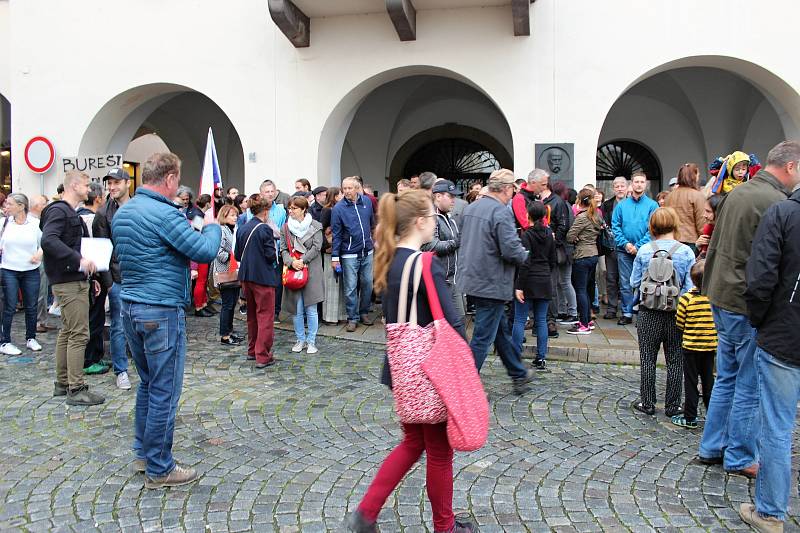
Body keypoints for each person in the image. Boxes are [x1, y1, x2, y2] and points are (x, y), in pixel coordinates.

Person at [345, 190, 473, 533]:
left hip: (402, 372)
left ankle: (366, 513)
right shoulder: (426, 264)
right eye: (432, 217)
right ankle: (445, 528)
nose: (435, 224)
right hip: (431, 373)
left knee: (414, 443)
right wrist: (467, 371)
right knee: (440, 453)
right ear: (420, 222)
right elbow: (452, 322)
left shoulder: (389, 261)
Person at [113, 153, 220, 488]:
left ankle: (143, 453)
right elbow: (203, 250)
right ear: (171, 178)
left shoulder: (125, 211)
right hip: (159, 309)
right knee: (163, 390)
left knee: (147, 382)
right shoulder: (164, 213)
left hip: (130, 305)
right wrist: (214, 226)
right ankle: (160, 467)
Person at [697, 140, 800, 477]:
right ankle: (740, 455)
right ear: (791, 167)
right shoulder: (774, 201)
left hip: (721, 294)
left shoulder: (739, 192)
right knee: (748, 383)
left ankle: (712, 446)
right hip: (744, 302)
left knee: (726, 376)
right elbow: (766, 265)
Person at [739, 187, 800, 531]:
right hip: (784, 331)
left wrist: (761, 320)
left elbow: (760, 278)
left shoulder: (783, 214)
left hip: (784, 336)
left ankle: (771, 514)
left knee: (776, 429)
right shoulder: (783, 212)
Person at [457, 168, 533, 395]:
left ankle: (518, 373)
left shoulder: (471, 209)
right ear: (507, 189)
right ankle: (466, 387)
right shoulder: (500, 212)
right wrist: (527, 255)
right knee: (482, 337)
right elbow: (511, 249)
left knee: (499, 332)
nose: (513, 194)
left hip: (475, 279)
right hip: (491, 282)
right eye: (512, 190)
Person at [40, 170, 104, 406]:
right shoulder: (60, 210)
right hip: (68, 281)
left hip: (72, 279)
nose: (89, 190)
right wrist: (78, 260)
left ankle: (62, 383)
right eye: (86, 185)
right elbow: (48, 240)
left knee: (68, 332)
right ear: (74, 185)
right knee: (78, 333)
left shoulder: (65, 211)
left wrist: (90, 275)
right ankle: (76, 388)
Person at [629, 207, 695, 416]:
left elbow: (634, 282)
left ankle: (647, 402)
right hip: (677, 312)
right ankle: (673, 405)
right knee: (675, 359)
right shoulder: (685, 252)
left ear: (652, 226)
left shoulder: (645, 250)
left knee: (647, 357)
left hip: (649, 311)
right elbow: (690, 286)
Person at [93, 167, 133, 390]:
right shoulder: (103, 213)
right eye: (110, 183)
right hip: (117, 277)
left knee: (141, 322)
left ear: (127, 183)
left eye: (117, 182)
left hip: (140, 275)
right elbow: (101, 249)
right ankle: (121, 370)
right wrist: (108, 283)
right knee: (118, 325)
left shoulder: (139, 207)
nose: (112, 187)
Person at [236, 194, 280, 368]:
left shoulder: (243, 228)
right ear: (266, 211)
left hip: (246, 277)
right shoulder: (264, 229)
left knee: (252, 316)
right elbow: (270, 255)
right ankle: (263, 355)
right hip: (263, 278)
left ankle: (252, 350)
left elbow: (238, 254)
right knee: (265, 317)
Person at [512, 201, 556, 370]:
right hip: (544, 279)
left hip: (528, 280)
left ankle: (516, 356)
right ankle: (541, 357)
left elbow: (525, 263)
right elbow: (552, 260)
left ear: (528, 215)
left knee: (520, 319)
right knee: (541, 320)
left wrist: (519, 286)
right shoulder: (549, 233)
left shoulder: (526, 235)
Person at [672, 259, 716, 429]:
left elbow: (680, 322)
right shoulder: (713, 299)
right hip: (710, 346)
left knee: (690, 381)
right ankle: (712, 415)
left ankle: (690, 415)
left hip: (690, 346)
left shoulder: (687, 299)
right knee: (708, 381)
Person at [611, 171, 658, 325]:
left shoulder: (652, 205)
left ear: (646, 184)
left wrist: (638, 246)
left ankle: (643, 313)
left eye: (642, 182)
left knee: (644, 282)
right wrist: (626, 244)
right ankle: (627, 312)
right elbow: (615, 226)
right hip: (624, 250)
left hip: (644, 250)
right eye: (636, 181)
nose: (639, 184)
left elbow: (652, 228)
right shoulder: (621, 205)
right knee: (625, 283)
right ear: (631, 184)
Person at [331, 176, 376, 332]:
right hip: (349, 253)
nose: (347, 191)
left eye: (350, 188)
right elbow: (336, 235)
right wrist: (335, 257)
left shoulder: (367, 202)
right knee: (350, 287)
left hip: (367, 251)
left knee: (368, 283)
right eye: (344, 188)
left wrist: (372, 242)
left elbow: (372, 224)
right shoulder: (338, 209)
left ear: (357, 188)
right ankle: (352, 317)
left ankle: (363, 312)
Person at [0, 193, 42, 355]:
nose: (6, 207)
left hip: (30, 270)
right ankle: (5, 341)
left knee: (31, 306)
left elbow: (45, 242)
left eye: (10, 204)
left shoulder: (35, 224)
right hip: (9, 269)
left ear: (21, 206)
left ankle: (31, 337)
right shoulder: (4, 223)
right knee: (9, 306)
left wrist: (39, 254)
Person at [281, 196, 324, 354]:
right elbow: (283, 249)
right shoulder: (285, 228)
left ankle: (311, 341)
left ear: (304, 209)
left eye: (294, 208)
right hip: (293, 270)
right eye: (289, 208)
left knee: (311, 308)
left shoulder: (315, 226)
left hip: (311, 269)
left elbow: (317, 247)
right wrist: (291, 262)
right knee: (297, 309)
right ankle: (300, 339)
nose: (290, 211)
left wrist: (302, 260)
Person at [78, 181, 111, 375]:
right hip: (93, 274)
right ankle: (90, 358)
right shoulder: (92, 219)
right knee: (94, 318)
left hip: (86, 275)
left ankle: (93, 355)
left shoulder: (77, 216)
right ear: (98, 198)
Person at [422, 180, 463, 316]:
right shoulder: (431, 217)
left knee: (459, 319)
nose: (454, 200)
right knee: (443, 322)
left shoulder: (449, 218)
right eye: (450, 196)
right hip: (439, 280)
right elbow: (430, 246)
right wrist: (457, 242)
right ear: (438, 196)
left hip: (453, 279)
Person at [565, 188, 602, 334]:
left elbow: (569, 236)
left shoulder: (582, 217)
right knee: (587, 289)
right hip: (593, 254)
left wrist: (576, 237)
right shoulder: (596, 215)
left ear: (580, 200)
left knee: (580, 290)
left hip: (582, 255)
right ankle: (588, 320)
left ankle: (583, 324)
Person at [213, 205, 243, 346]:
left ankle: (229, 331)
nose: (235, 217)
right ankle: (225, 336)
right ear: (224, 216)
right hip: (225, 272)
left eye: (236, 215)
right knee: (227, 305)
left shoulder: (233, 230)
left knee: (232, 304)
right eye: (232, 215)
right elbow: (218, 253)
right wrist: (234, 258)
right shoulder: (221, 230)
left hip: (234, 272)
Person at [601, 177, 627, 320]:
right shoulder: (607, 205)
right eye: (617, 186)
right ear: (613, 188)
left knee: (626, 279)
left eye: (622, 185)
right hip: (612, 247)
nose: (620, 188)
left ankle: (626, 309)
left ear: (627, 187)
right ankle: (611, 308)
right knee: (611, 277)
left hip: (628, 246)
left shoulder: (631, 203)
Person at [665, 163, 706, 253]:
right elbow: (702, 223)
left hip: (670, 241)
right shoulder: (697, 196)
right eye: (697, 175)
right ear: (693, 176)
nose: (698, 178)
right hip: (690, 243)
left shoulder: (669, 196)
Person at [320, 187, 347, 324]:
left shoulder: (342, 208)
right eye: (341, 193)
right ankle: (330, 317)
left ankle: (341, 315)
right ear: (335, 196)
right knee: (331, 283)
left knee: (341, 284)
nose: (343, 195)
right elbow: (321, 229)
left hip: (340, 249)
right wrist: (327, 246)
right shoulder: (327, 210)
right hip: (330, 250)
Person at [28, 194, 51, 333]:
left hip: (39, 260)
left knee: (42, 291)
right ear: (37, 206)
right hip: (37, 261)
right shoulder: (35, 223)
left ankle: (42, 320)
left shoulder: (35, 221)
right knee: (39, 292)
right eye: (44, 204)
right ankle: (38, 321)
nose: (46, 206)